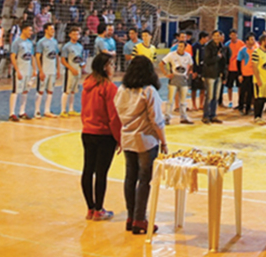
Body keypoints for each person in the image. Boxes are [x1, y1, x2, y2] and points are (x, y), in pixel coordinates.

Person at [114, 56, 168, 235]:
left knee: (130, 178)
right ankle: (140, 219)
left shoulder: (121, 89)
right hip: (145, 140)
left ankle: (131, 217)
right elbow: (156, 120)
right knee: (144, 180)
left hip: (127, 138)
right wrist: (164, 141)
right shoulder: (149, 91)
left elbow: (118, 111)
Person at [80, 53, 121, 221]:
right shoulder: (109, 88)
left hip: (87, 131)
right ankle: (99, 209)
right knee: (101, 173)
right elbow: (114, 116)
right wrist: (119, 138)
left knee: (88, 170)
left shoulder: (87, 85)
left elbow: (84, 110)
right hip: (104, 134)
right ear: (105, 67)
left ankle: (90, 208)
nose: (113, 68)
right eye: (111, 65)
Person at [161, 40, 193, 125]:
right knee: (170, 100)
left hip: (183, 79)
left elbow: (191, 64)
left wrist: (187, 74)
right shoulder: (172, 55)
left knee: (183, 101)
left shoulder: (188, 56)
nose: (179, 48)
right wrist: (166, 73)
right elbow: (162, 63)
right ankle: (167, 117)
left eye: (182, 46)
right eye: (179, 46)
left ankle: (183, 117)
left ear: (185, 48)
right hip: (174, 78)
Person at [34, 23, 61, 119]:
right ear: (45, 30)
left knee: (50, 91)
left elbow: (57, 56)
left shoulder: (54, 42)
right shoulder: (41, 42)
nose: (52, 31)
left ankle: (47, 110)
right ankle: (37, 111)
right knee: (40, 90)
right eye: (51, 29)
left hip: (52, 71)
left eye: (53, 29)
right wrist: (40, 71)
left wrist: (58, 69)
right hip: (44, 70)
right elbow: (37, 57)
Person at [9, 25, 35, 121]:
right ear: (24, 30)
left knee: (25, 91)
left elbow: (32, 56)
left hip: (28, 70)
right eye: (29, 30)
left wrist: (34, 70)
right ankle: (11, 113)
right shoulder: (16, 42)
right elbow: (12, 56)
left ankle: (22, 111)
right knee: (16, 91)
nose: (31, 32)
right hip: (20, 70)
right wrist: (17, 70)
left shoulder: (29, 43)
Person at [59, 27, 85, 118]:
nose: (76, 36)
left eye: (77, 34)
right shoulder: (66, 46)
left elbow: (80, 58)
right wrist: (71, 68)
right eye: (74, 34)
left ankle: (71, 109)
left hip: (78, 71)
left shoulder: (80, 46)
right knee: (67, 90)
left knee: (74, 91)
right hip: (69, 72)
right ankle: (63, 110)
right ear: (70, 35)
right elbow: (63, 60)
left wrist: (82, 65)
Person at [201, 31, 224, 124]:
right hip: (210, 74)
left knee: (216, 96)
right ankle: (205, 116)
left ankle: (213, 115)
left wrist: (223, 73)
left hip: (218, 74)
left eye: (218, 36)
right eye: (215, 36)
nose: (216, 37)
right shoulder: (208, 46)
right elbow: (207, 60)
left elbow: (224, 61)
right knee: (209, 96)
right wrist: (218, 57)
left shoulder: (222, 47)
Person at [251, 35, 266, 125]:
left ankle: (261, 116)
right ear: (263, 41)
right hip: (259, 80)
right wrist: (258, 79)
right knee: (258, 99)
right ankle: (256, 117)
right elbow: (254, 67)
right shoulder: (256, 52)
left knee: (264, 98)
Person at [236, 34, 257, 116]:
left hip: (253, 74)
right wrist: (240, 74)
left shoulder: (256, 50)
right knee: (243, 91)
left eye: (254, 39)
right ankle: (241, 107)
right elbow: (238, 62)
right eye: (251, 39)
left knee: (251, 92)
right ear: (247, 41)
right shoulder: (242, 50)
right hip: (244, 74)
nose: (253, 41)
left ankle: (248, 108)